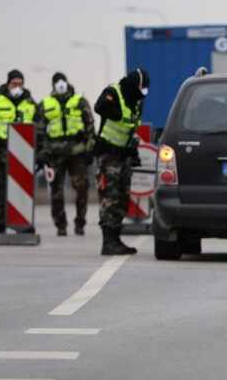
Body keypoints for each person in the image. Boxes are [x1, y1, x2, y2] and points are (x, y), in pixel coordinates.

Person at [94, 69, 148, 255]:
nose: (143, 94)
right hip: (107, 155)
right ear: (134, 85)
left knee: (123, 198)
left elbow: (131, 129)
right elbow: (99, 107)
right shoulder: (114, 92)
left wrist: (133, 153)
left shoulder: (137, 101)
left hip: (123, 156)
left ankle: (115, 239)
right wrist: (115, 112)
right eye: (141, 89)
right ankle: (108, 242)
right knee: (110, 198)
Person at [0, 69, 37, 237]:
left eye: (20, 84)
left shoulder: (30, 102)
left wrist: (40, 153)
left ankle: (24, 222)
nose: (17, 87)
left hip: (24, 155)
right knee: (1, 190)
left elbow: (39, 128)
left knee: (24, 189)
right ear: (8, 84)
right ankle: (1, 225)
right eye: (14, 84)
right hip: (1, 152)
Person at [37, 72, 95, 237]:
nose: (60, 84)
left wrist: (90, 149)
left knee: (82, 187)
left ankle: (80, 223)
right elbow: (39, 131)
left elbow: (90, 125)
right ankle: (61, 224)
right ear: (53, 85)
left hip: (77, 152)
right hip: (54, 154)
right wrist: (42, 153)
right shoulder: (45, 104)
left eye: (62, 81)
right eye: (57, 82)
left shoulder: (79, 102)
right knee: (56, 190)